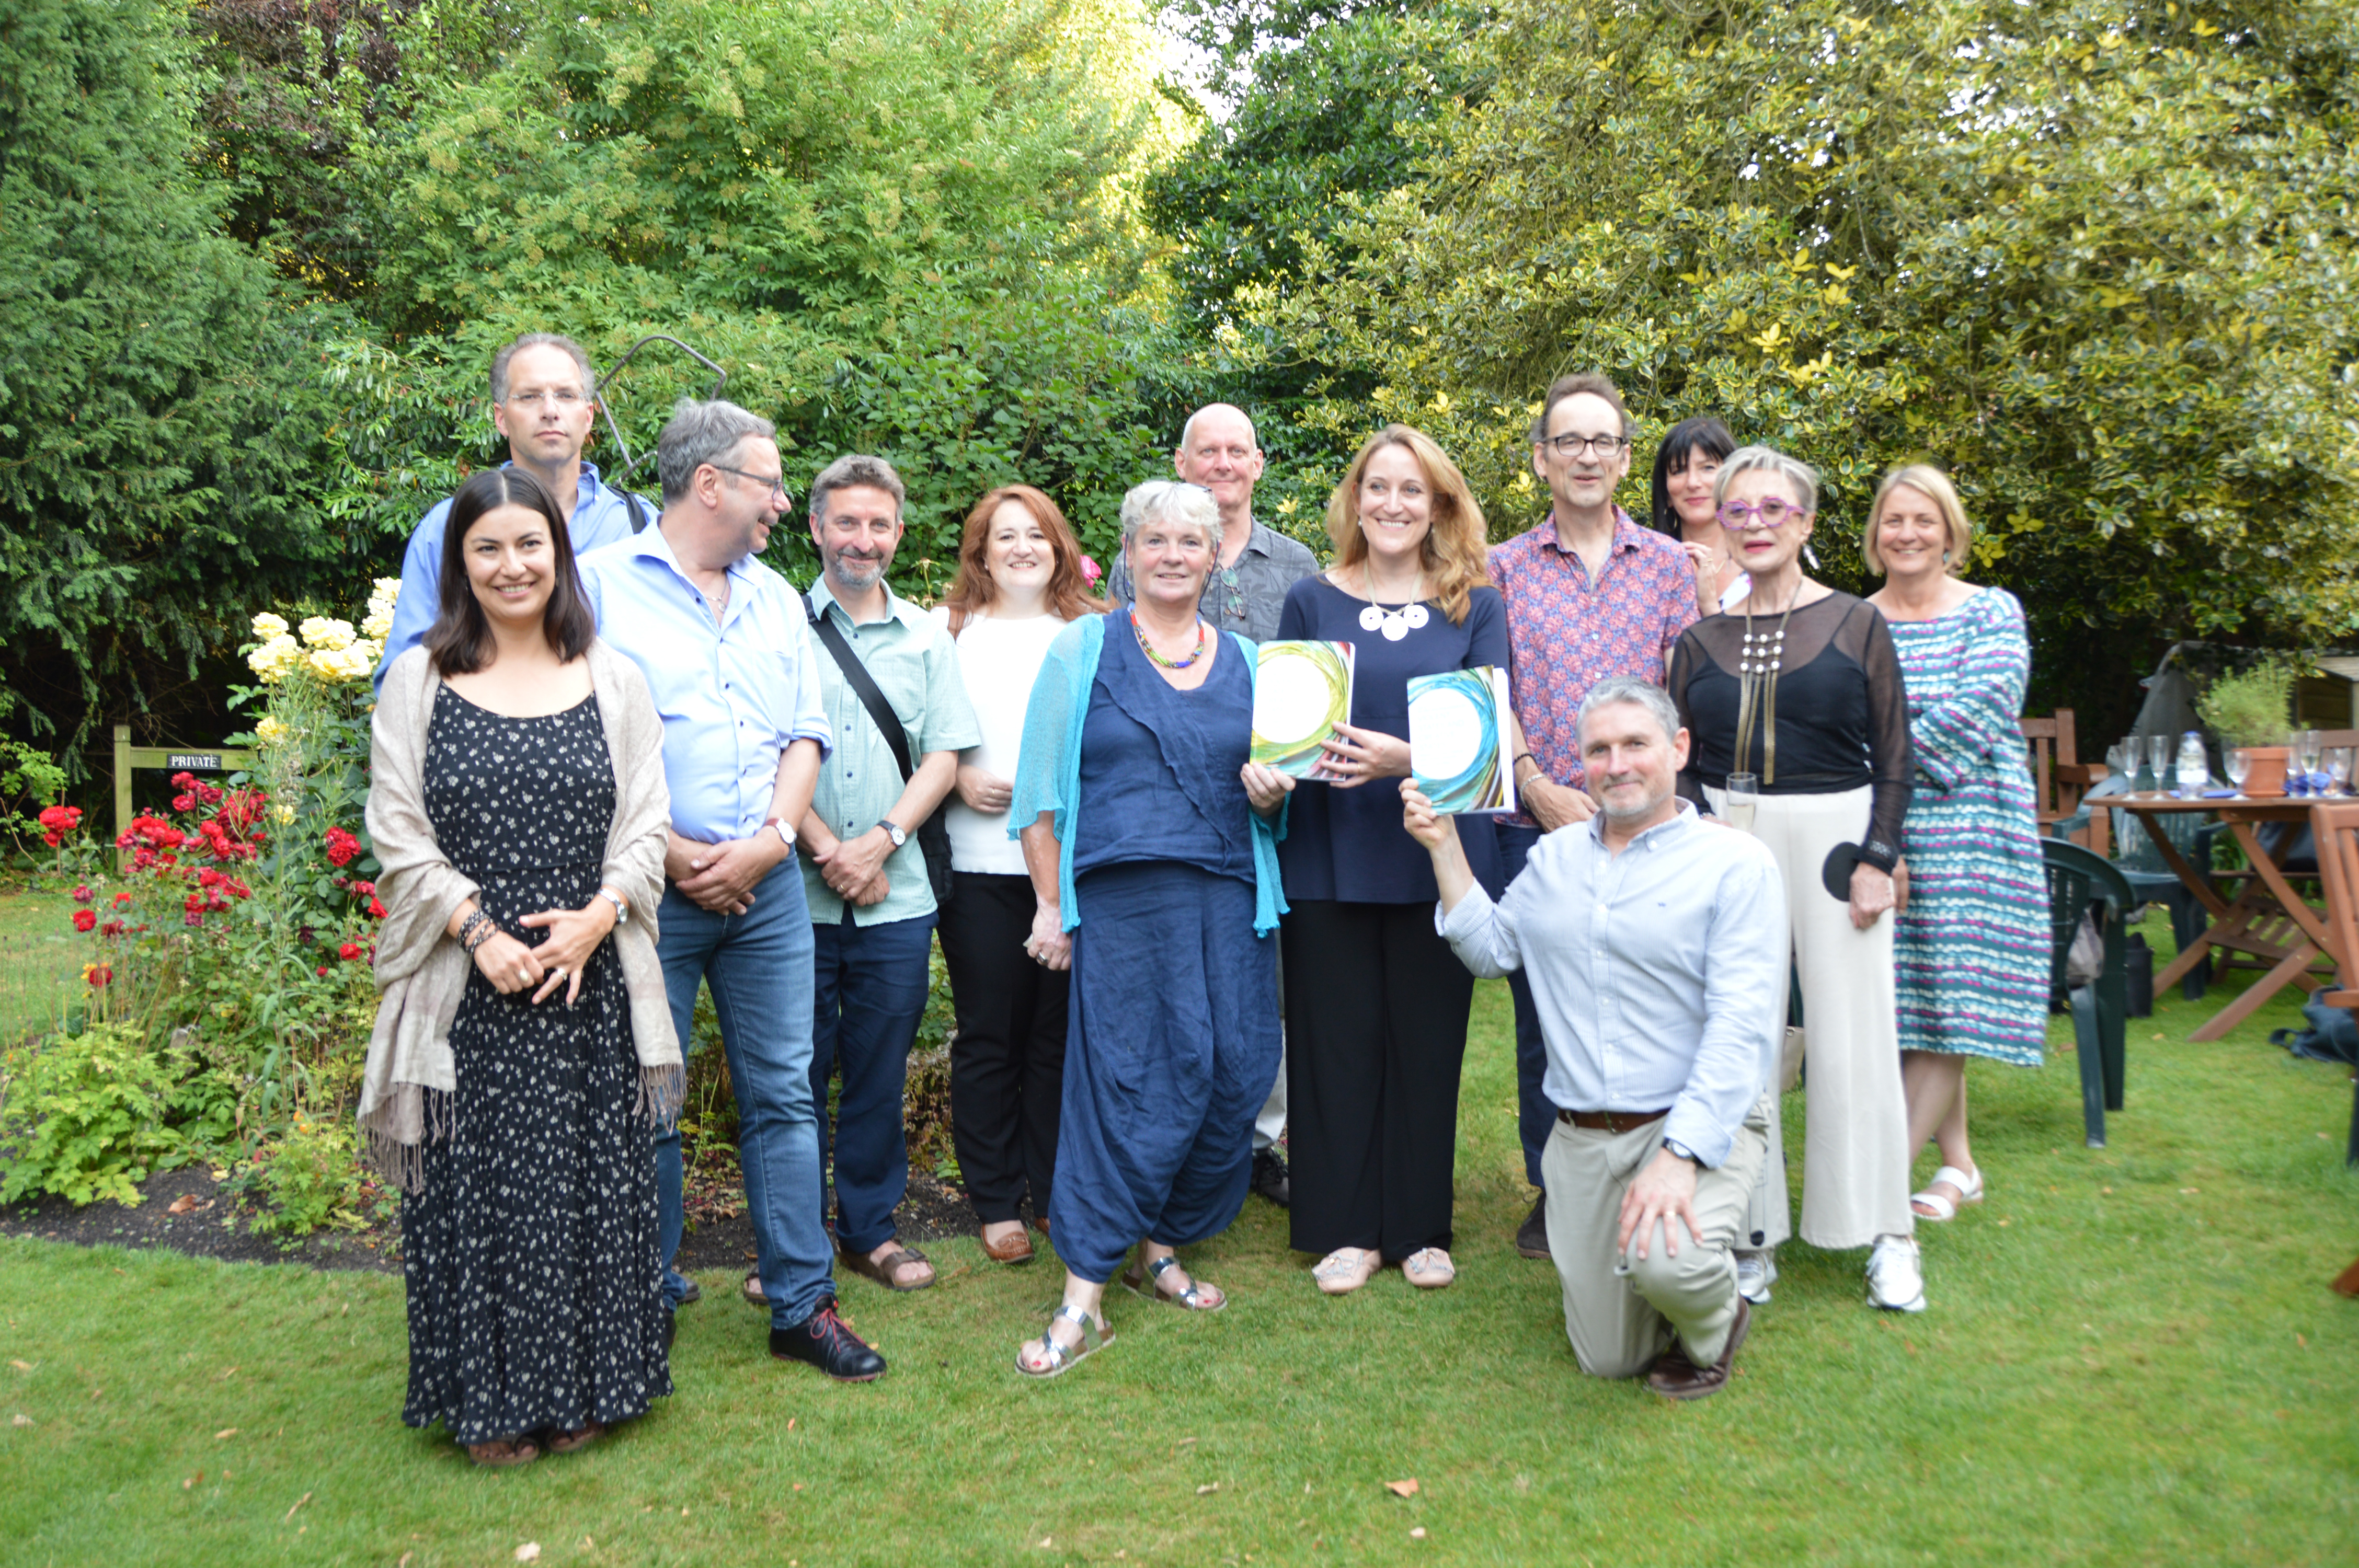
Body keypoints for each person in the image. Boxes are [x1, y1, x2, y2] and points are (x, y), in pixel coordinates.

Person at [361, 467, 678, 1465]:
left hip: (589, 992)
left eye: (529, 545)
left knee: (591, 1193)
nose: (512, 565)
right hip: (469, 999)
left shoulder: (612, 677)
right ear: (460, 563)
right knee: (482, 1206)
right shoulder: (420, 676)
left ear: (560, 554)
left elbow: (648, 821)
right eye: (487, 548)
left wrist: (600, 916)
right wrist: (476, 929)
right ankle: (492, 1405)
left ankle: (590, 1385)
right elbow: (395, 827)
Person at [577, 400, 885, 1382]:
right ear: (709, 483)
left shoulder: (775, 601)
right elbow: (584, 743)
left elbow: (806, 731)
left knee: (785, 1096)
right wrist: (669, 856)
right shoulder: (596, 589)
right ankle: (645, 1294)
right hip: (645, 892)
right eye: (769, 483)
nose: (785, 504)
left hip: (769, 890)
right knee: (648, 1097)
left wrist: (768, 844)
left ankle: (802, 1305)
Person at [1407, 676, 1786, 1399]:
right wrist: (1443, 845)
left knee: (1667, 1266)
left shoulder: (1735, 863)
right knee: (1608, 1359)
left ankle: (1716, 1320)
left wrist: (1679, 1158)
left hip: (1688, 1120)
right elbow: (1490, 952)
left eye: (1636, 745)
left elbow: (1741, 1028)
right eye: (1599, 750)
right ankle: (1655, 1271)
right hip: (1580, 1141)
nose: (1618, 765)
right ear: (1580, 762)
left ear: (1677, 749)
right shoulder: (1552, 862)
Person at [1006, 480, 1287, 1376]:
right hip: (1125, 909)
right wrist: (1051, 907)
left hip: (1234, 904)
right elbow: (1037, 797)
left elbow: (1274, 809)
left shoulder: (1250, 661)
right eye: (1154, 540)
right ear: (1127, 553)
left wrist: (1273, 796)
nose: (1172, 555)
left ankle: (1159, 1246)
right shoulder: (1082, 649)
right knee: (1126, 1086)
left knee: (1231, 1074)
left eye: (1190, 542)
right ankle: (1083, 1297)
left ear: (1214, 557)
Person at [1668, 444, 1923, 1312]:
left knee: (1854, 1038)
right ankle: (1748, 1233)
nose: (1753, 525)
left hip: (1834, 843)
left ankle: (1886, 1230)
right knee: (1741, 1038)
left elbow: (1894, 758)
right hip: (1730, 844)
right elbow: (1680, 763)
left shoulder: (1856, 624)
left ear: (1806, 523)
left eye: (1772, 510)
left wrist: (1877, 862)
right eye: (1737, 511)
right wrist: (1693, 838)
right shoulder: (1698, 641)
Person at [1269, 424, 1510, 1295]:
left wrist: (1400, 758)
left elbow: (1491, 739)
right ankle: (1344, 1228)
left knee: (1425, 1038)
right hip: (1330, 852)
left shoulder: (1473, 604)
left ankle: (1418, 1228)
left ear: (1437, 505)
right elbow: (1291, 727)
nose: (1394, 505)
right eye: (1378, 488)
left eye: (1412, 491)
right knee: (1336, 1041)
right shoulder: (1310, 600)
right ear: (1355, 500)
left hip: (1434, 851)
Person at [1488, 373, 1700, 1260]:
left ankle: (1663, 1175)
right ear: (1540, 458)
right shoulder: (1498, 568)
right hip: (1536, 825)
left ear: (1622, 458)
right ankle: (1555, 1188)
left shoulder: (1670, 565)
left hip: (1645, 826)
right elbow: (1486, 691)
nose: (1584, 455)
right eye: (1566, 440)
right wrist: (1533, 780)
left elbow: (1683, 692)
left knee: (1650, 1006)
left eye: (1601, 442)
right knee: (1546, 1022)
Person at [1105, 402, 1316, 1206]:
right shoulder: (1144, 558)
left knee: (1270, 981)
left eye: (1238, 450)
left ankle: (1261, 1141)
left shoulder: (1295, 564)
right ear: (1183, 463)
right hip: (1174, 813)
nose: (1224, 463)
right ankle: (1192, 1136)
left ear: (1259, 463)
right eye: (1208, 451)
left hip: (1273, 804)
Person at [797, 454, 980, 1294]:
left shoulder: (928, 636)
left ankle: (868, 1231)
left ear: (899, 535)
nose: (861, 540)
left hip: (897, 897)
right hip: (791, 898)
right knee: (791, 1075)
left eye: (878, 525)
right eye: (846, 522)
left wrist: (876, 844)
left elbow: (945, 754)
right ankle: (792, 1242)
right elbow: (761, 747)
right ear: (815, 528)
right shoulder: (779, 626)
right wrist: (826, 849)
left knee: (876, 1071)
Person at [1862, 465, 2047, 1221]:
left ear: (1950, 532)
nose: (1908, 534)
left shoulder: (1990, 613)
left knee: (1954, 999)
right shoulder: (1855, 619)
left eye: (1924, 521)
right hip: (1886, 835)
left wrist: (1882, 761)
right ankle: (1961, 1165)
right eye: (1894, 521)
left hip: (1974, 828)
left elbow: (1986, 706)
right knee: (1910, 1004)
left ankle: (1880, 1187)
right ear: (1875, 535)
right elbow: (1839, 717)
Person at [930, 486, 1108, 1265]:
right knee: (990, 1037)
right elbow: (916, 733)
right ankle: (996, 1199)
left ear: (1061, 546)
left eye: (1038, 535)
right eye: (1006, 537)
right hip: (980, 866)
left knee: (1057, 1038)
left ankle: (1050, 1186)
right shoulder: (949, 631)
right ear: (981, 551)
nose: (1023, 548)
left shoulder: (1093, 630)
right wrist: (959, 778)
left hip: (1073, 867)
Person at [376, 333, 652, 687]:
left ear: (588, 417)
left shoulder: (639, 524)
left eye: (566, 395)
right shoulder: (450, 527)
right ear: (501, 418)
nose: (550, 410)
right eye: (530, 396)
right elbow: (402, 680)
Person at [1647, 416, 1744, 616]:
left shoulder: (1761, 562)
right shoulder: (1647, 570)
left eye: (1708, 468)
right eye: (1679, 471)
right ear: (1666, 494)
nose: (1693, 483)